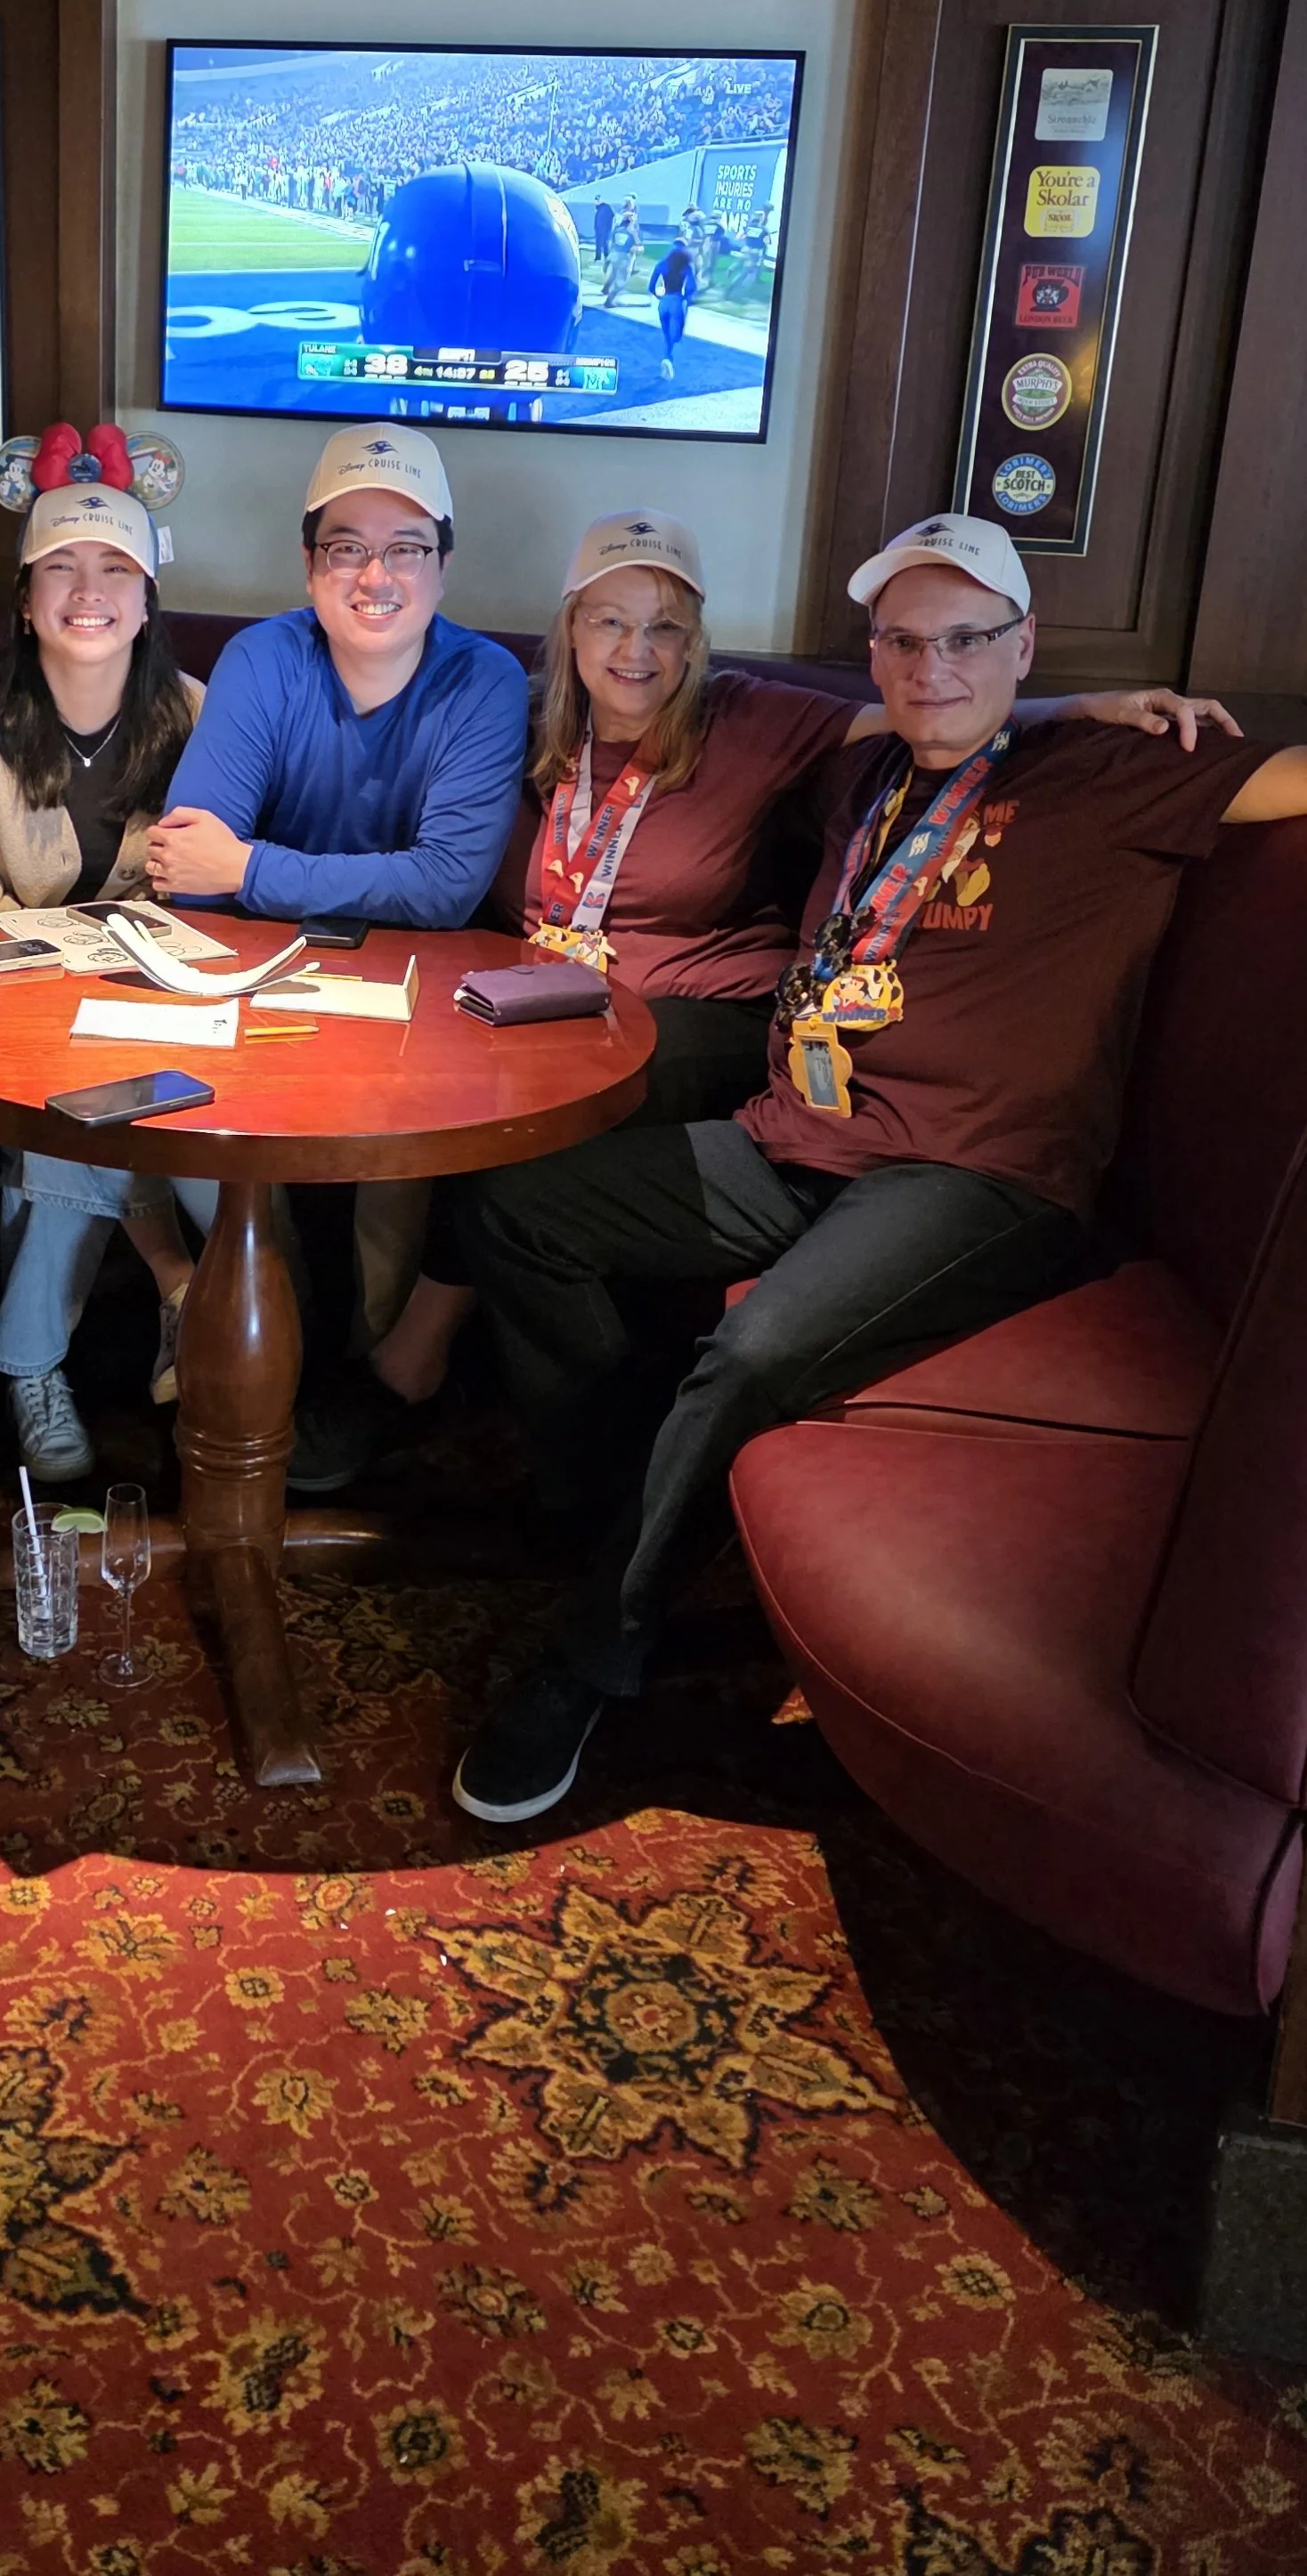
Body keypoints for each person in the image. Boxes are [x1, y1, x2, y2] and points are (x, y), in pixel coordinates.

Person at [448, 507, 1307, 1827]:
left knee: (752, 1354)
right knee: (517, 1206)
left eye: (967, 640)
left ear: (1025, 644)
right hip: (795, 1138)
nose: (933, 670)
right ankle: (616, 1494)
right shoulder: (863, 775)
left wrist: (1112, 712)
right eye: (904, 644)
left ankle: (589, 1657)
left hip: (978, 1176)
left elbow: (1289, 784)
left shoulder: (1120, 773)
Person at [294, 505, 1217, 1492]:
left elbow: (938, 714)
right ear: (567, 626)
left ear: (696, 642)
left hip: (706, 1017)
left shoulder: (755, 717)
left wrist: (1082, 708)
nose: (636, 650)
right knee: (423, 1082)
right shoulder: (509, 725)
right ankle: (489, 1391)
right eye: (608, 620)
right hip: (543, 1004)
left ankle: (413, 1364)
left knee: (541, 1099)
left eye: (665, 627)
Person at [0, 429, 207, 1493]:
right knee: (77, 1103)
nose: (89, 591)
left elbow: (201, 900)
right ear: (25, 595)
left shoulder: (196, 714)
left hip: (143, 1004)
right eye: (61, 569)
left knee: (166, 1112)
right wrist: (93, 964)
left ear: (148, 594)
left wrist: (117, 971)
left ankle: (59, 1353)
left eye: (115, 568)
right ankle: (175, 1303)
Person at [144, 425, 529, 927]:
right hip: (257, 962)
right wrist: (389, 884)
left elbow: (445, 888)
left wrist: (247, 869)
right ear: (310, 565)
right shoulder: (261, 660)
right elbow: (188, 870)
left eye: (407, 549)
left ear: (444, 569)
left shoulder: (485, 681)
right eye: (347, 549)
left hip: (423, 974)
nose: (375, 577)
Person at [647, 238, 696, 381]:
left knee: (667, 336)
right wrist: (687, 298)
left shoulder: (662, 264)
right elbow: (691, 287)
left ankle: (666, 359)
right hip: (677, 302)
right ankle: (670, 361)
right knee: (676, 336)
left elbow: (651, 286)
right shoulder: (686, 267)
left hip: (664, 303)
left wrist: (659, 296)